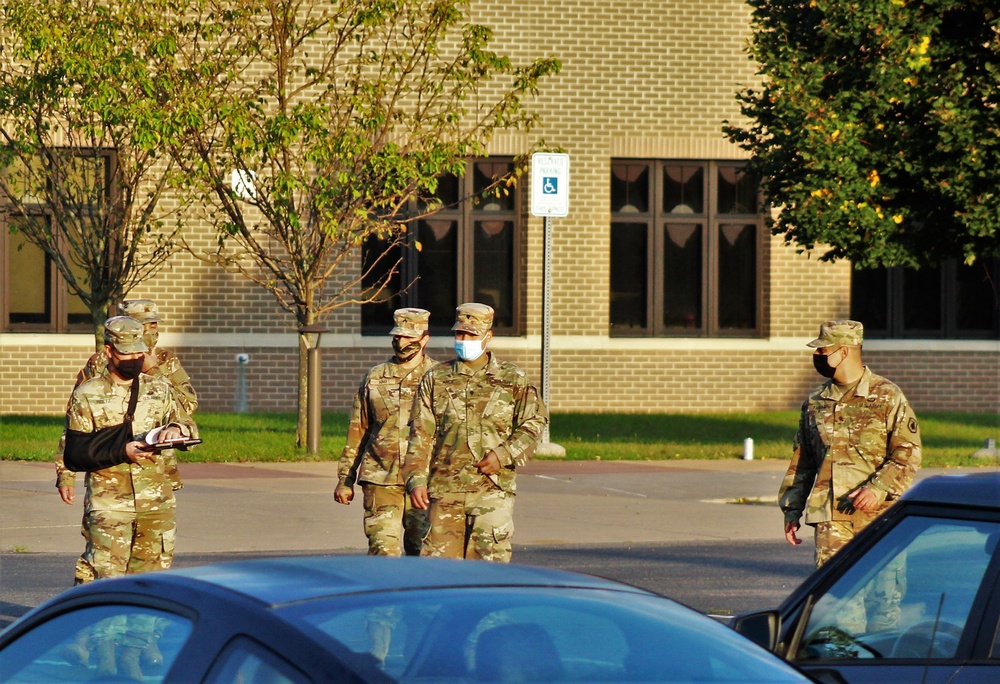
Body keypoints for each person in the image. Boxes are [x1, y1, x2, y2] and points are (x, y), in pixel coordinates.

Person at [62, 316, 197, 677]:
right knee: (106, 579)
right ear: (109, 351)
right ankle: (104, 657)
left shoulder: (158, 389)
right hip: (110, 501)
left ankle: (133, 655)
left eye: (140, 351)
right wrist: (120, 451)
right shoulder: (87, 393)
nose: (135, 358)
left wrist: (175, 433)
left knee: (152, 579)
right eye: (127, 352)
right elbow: (75, 451)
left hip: (156, 498)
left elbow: (188, 423)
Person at [779, 320, 920, 632]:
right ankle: (845, 673)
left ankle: (884, 676)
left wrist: (878, 488)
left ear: (843, 352)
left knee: (883, 610)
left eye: (822, 350)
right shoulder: (816, 401)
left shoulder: (886, 396)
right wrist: (792, 508)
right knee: (837, 607)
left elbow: (908, 452)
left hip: (881, 519)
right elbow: (802, 460)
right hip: (832, 519)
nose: (817, 356)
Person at [402, 302, 548, 562]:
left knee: (488, 573)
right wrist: (416, 479)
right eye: (460, 333)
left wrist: (503, 454)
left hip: (491, 490)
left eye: (471, 334)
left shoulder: (511, 378)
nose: (464, 339)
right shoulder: (436, 378)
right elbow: (421, 432)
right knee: (440, 574)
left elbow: (535, 422)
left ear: (487, 336)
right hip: (445, 489)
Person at [56, 298, 197, 500]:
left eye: (153, 324)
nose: (149, 331)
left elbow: (187, 405)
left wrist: (153, 371)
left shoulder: (167, 360)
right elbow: (76, 419)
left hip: (156, 470)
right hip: (110, 472)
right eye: (142, 325)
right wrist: (66, 473)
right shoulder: (101, 362)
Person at [334, 308, 435, 557]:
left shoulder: (439, 378)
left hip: (425, 480)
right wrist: (345, 479)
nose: (401, 342)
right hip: (380, 477)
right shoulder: (375, 377)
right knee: (383, 550)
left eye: (409, 337)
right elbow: (358, 430)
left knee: (422, 550)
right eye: (398, 336)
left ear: (424, 338)